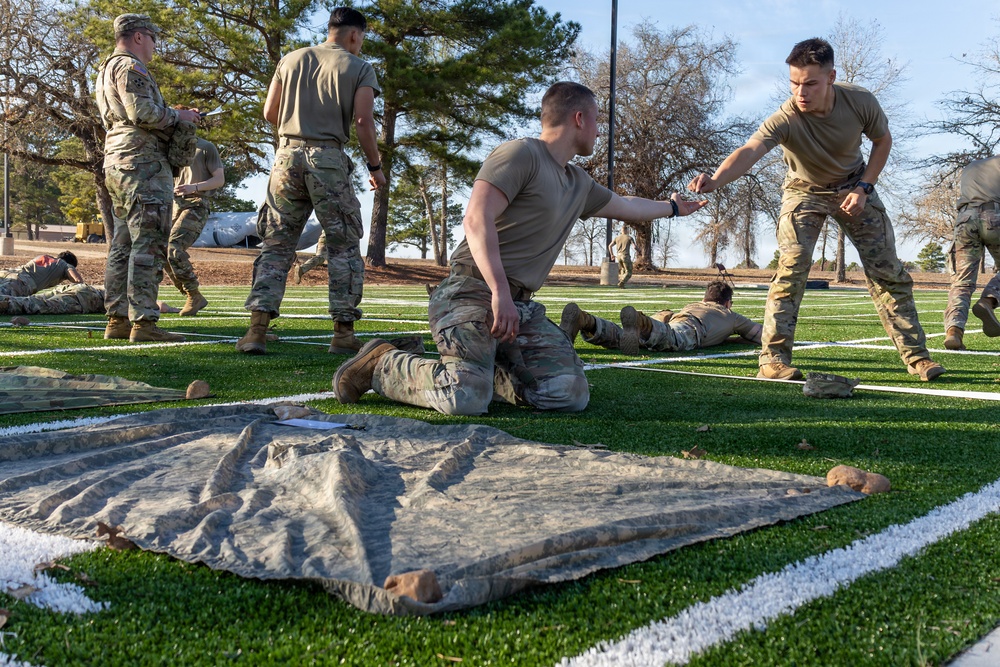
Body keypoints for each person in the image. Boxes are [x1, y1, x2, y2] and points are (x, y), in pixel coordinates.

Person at [332, 81, 706, 415]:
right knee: (466, 397)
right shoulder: (520, 154)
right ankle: (382, 362)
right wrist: (498, 292)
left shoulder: (579, 183)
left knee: (568, 394)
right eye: (596, 121)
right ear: (579, 118)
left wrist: (674, 208)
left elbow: (628, 205)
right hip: (471, 291)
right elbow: (476, 219)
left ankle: (484, 368)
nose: (598, 130)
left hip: (519, 305)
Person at [688, 38, 944, 382]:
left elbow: (882, 141)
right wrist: (715, 179)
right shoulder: (787, 116)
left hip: (854, 185)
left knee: (888, 272)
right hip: (803, 192)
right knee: (791, 269)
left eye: (810, 83)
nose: (801, 93)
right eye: (794, 83)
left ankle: (917, 358)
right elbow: (750, 149)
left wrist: (864, 187)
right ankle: (773, 360)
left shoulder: (860, 101)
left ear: (831, 77)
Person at [236, 7, 385, 355]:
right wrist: (374, 166)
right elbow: (363, 121)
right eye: (362, 38)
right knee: (343, 244)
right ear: (354, 35)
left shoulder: (290, 59)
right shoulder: (359, 67)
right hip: (328, 159)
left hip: (285, 159)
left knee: (276, 243)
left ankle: (257, 330)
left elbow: (270, 113)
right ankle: (344, 335)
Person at [96, 14, 200, 343]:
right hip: (143, 165)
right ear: (140, 37)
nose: (155, 46)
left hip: (118, 162)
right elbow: (142, 113)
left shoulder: (106, 68)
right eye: (153, 39)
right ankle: (144, 322)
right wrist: (180, 116)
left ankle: (117, 319)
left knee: (122, 246)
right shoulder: (130, 67)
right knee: (150, 244)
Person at [561, 280, 762, 355]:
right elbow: (762, 335)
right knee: (672, 339)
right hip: (692, 329)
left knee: (623, 337)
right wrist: (735, 334)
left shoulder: (694, 305)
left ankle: (586, 321)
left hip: (677, 319)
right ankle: (642, 322)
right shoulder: (730, 314)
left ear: (705, 298)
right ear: (727, 303)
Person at [943, 155, 1000, 350]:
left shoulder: (971, 166)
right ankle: (988, 300)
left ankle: (954, 332)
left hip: (965, 220)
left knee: (962, 282)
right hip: (995, 216)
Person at [164, 132, 225, 316]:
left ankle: (193, 294)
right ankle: (192, 295)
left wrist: (194, 187)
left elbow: (219, 179)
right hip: (174, 205)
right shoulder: (169, 149)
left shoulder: (206, 147)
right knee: (161, 250)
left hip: (196, 203)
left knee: (174, 248)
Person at [0, 252, 83, 297]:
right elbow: (78, 280)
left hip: (8, 273)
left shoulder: (46, 257)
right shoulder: (65, 265)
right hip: (21, 282)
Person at [0, 283, 105, 316]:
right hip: (88, 298)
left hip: (82, 288)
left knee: (32, 299)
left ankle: (5, 300)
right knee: (43, 305)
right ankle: (7, 306)